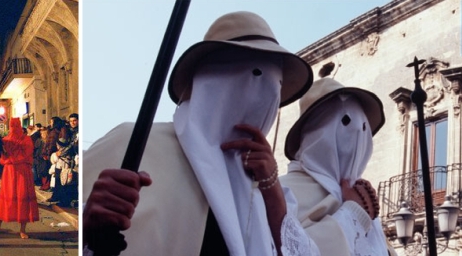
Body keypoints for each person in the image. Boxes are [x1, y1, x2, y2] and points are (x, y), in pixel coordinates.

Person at [82, 12, 319, 255]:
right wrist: (88, 222)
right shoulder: (133, 143)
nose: (266, 96)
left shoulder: (267, 189)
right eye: (255, 74)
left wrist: (270, 186)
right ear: (211, 77)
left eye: (277, 85)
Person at [279, 67, 395, 255]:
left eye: (363, 126)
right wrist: (354, 214)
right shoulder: (282, 192)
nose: (356, 133)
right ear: (314, 132)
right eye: (345, 122)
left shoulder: (370, 214)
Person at [0, 118, 40, 239]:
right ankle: (1, 225)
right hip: (14, 171)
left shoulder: (25, 140)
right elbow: (2, 155)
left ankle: (18, 229)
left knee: (21, 197)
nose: (13, 128)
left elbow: (25, 155)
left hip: (20, 172)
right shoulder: (7, 140)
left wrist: (8, 159)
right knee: (8, 197)